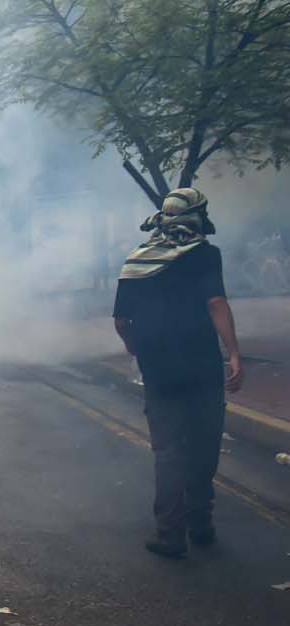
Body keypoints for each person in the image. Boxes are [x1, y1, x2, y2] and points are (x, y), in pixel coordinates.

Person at [113, 187, 243, 558]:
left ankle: (170, 533)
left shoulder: (137, 260)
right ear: (197, 215)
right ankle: (201, 524)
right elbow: (216, 302)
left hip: (160, 367)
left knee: (169, 449)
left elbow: (122, 320)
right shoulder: (204, 254)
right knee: (204, 441)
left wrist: (136, 348)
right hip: (201, 362)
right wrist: (233, 353)